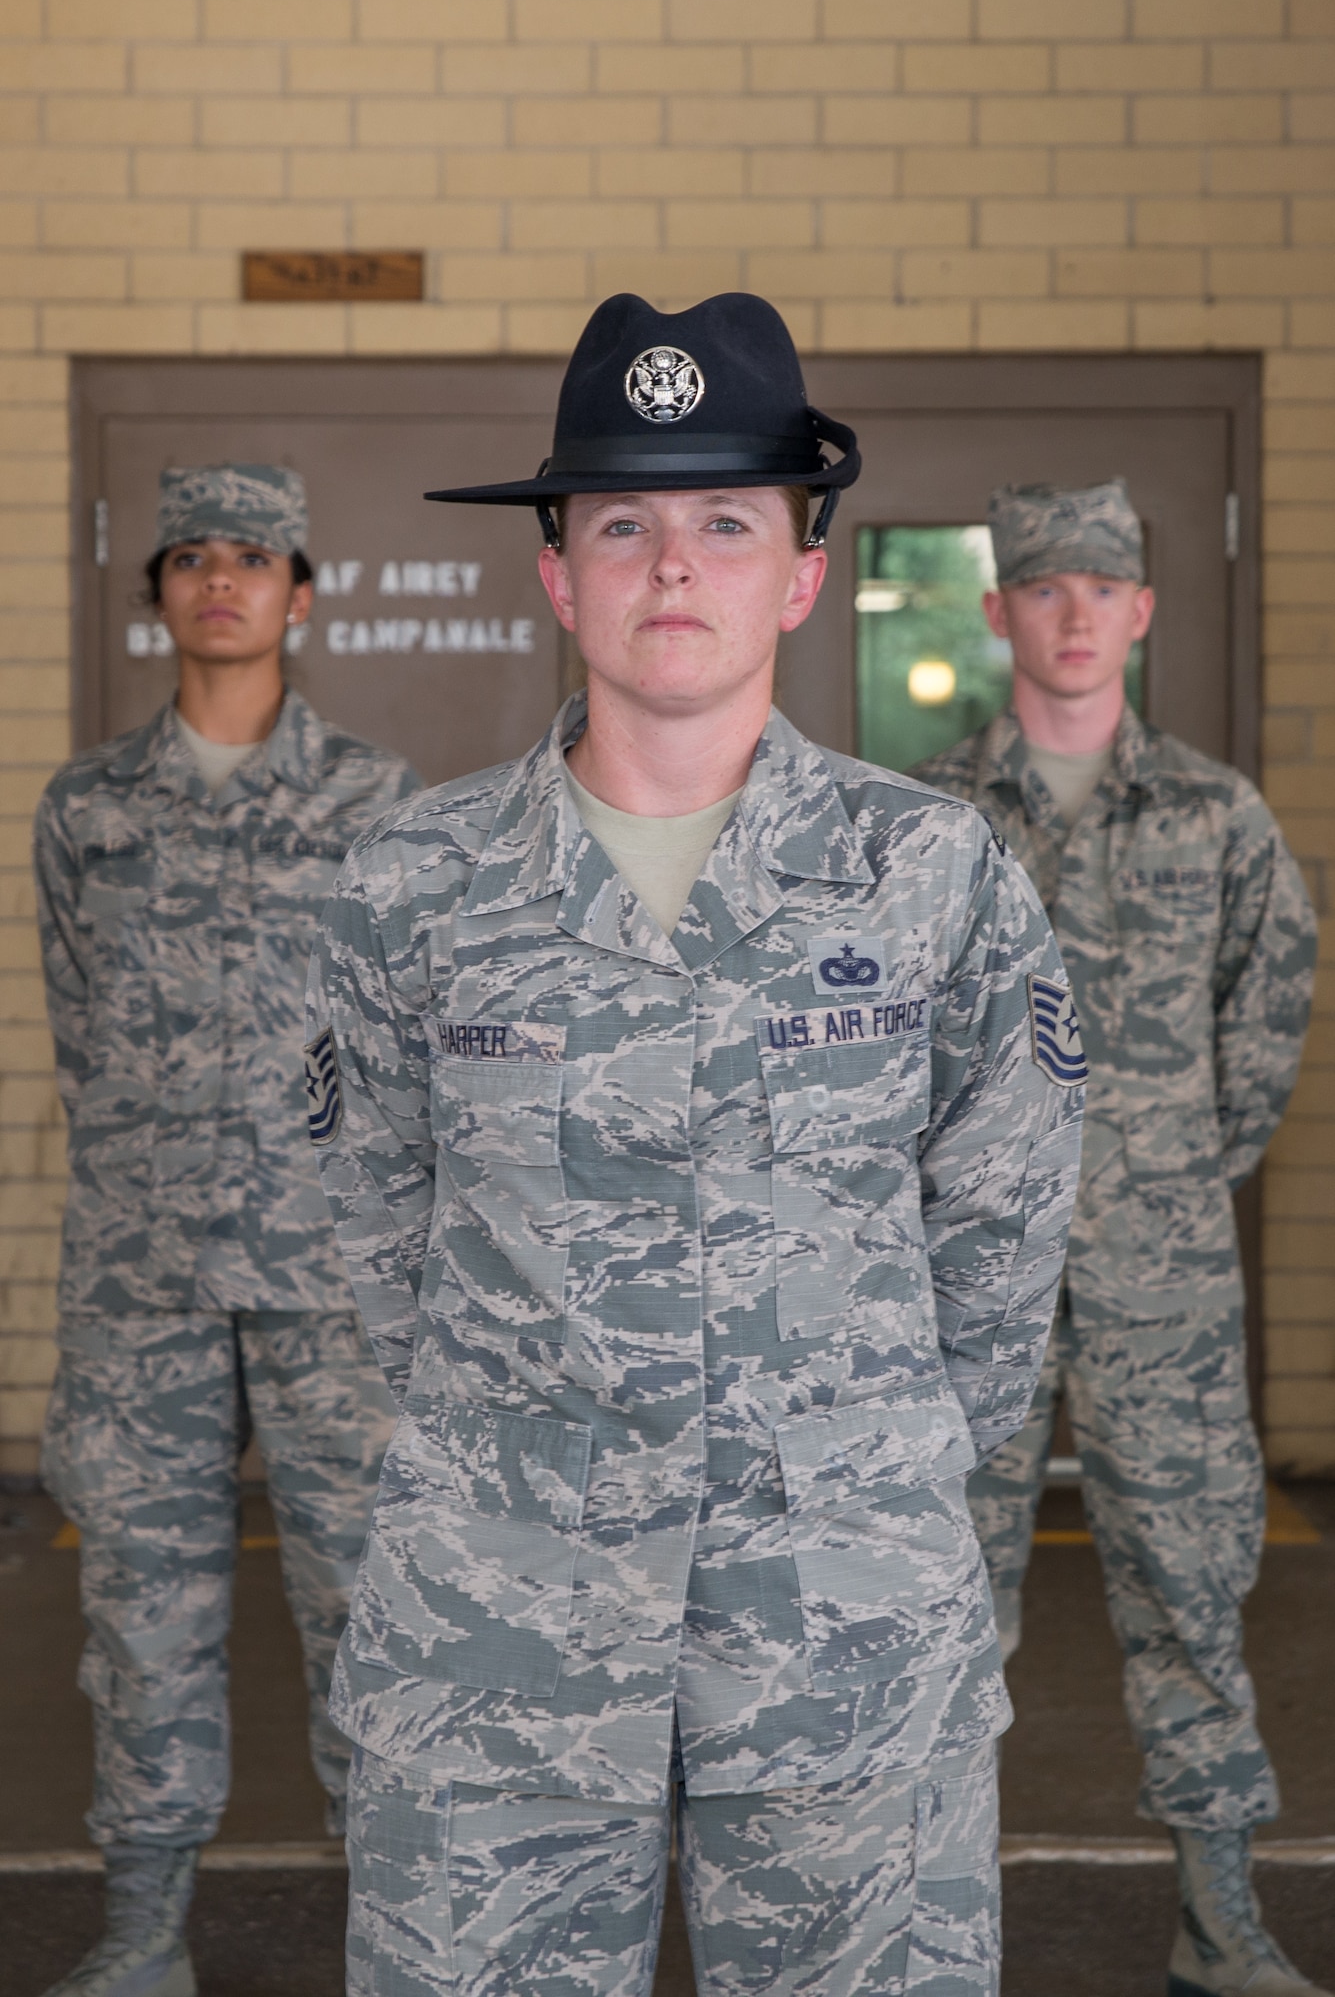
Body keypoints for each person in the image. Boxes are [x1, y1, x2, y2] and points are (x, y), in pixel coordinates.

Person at [305, 293, 1084, 1997]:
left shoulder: (933, 878)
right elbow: (368, 1232)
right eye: (625, 524)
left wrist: (855, 1467)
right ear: (557, 572)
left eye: (728, 521)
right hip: (497, 1645)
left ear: (801, 574)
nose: (675, 567)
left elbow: (1003, 1252)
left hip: (842, 1638)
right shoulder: (409, 890)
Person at [910, 480, 1322, 1997]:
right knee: (945, 1615)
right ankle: (924, 1937)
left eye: (1104, 586)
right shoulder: (933, 822)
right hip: (973, 1290)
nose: (1075, 612)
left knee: (1193, 1602)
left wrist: (1160, 1182)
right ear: (1000, 612)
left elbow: (1267, 1013)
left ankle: (1222, 1927)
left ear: (1142, 612)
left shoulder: (1214, 816)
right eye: (1045, 586)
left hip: (1165, 1297)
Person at [34, 464, 420, 1997]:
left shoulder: (376, 803)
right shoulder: (89, 811)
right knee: (140, 1606)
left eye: (253, 557)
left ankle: (397, 1930)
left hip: (329, 1280)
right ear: (159, 599)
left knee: (370, 1606)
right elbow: (83, 1033)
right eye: (189, 556)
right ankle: (143, 1933)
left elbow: (402, 1039)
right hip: (143, 1283)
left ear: (300, 592)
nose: (220, 581)